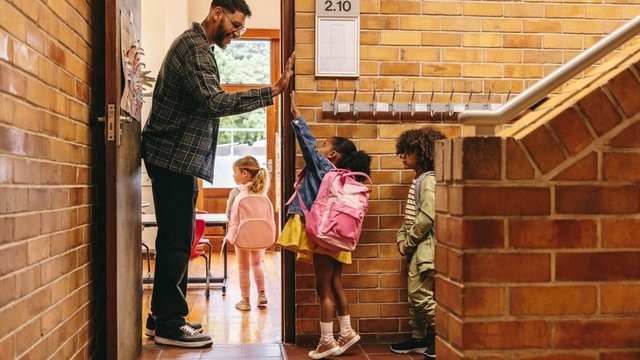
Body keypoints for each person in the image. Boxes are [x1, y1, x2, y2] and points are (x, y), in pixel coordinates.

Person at [141, 0, 295, 348]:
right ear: (217, 13)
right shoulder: (194, 48)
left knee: (178, 238)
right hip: (172, 156)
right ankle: (168, 323)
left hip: (178, 158)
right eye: (236, 25)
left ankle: (161, 316)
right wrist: (271, 91)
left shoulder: (200, 47)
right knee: (177, 240)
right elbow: (215, 102)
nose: (237, 34)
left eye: (241, 28)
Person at [277, 92, 372, 359]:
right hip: (340, 235)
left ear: (332, 154)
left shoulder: (325, 168)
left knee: (323, 289)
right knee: (336, 283)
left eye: (323, 148)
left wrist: (297, 116)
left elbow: (307, 144)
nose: (318, 150)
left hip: (325, 234)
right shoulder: (346, 178)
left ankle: (327, 341)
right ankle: (347, 331)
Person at [389, 128, 445, 359]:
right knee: (415, 296)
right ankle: (419, 337)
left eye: (407, 151)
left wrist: (409, 241)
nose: (403, 156)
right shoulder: (420, 179)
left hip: (424, 245)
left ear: (422, 153)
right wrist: (402, 238)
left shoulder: (429, 179)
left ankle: (444, 337)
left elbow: (428, 216)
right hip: (416, 244)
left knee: (419, 294)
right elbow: (410, 218)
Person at [224, 156, 270, 311]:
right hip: (259, 235)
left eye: (234, 172)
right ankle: (262, 295)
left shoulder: (236, 192)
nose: (233, 175)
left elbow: (229, 214)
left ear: (244, 173)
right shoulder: (261, 192)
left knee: (243, 267)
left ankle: (245, 301)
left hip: (241, 235)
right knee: (257, 263)